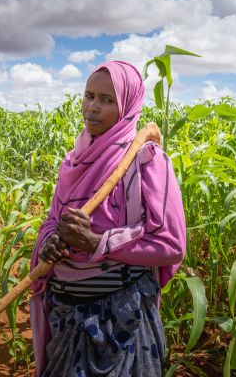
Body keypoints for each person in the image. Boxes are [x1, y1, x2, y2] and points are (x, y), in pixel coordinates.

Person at [29, 60, 186, 377]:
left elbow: (171, 245)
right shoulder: (74, 159)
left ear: (127, 106)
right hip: (66, 311)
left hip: (120, 317)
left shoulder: (147, 161)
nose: (92, 107)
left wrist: (96, 242)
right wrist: (49, 243)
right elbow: (52, 219)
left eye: (107, 99)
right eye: (89, 96)